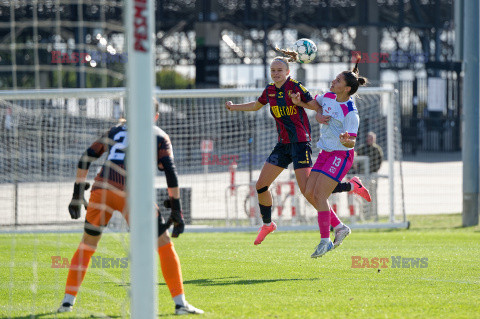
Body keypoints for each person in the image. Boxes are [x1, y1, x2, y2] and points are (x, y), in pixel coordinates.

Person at [57, 101, 203, 315]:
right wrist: (177, 209)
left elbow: (86, 157)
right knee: (164, 245)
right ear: (155, 116)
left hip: (102, 190)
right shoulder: (158, 135)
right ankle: (180, 304)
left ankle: (67, 303)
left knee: (87, 245)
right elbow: (170, 172)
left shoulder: (115, 130)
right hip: (132, 193)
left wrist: (77, 194)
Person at [225, 53, 367, 246]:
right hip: (283, 144)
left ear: (287, 72)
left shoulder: (296, 87)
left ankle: (345, 203)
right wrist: (234, 107)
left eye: (279, 70)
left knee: (310, 193)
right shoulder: (269, 91)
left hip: (301, 143)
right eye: (273, 70)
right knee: (261, 186)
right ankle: (267, 224)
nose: (275, 73)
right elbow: (256, 106)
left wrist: (317, 113)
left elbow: (316, 104)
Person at [292, 57, 368, 258]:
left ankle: (325, 240)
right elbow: (314, 104)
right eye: (335, 79)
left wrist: (346, 141)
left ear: (347, 89)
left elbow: (351, 142)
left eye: (338, 81)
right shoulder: (328, 96)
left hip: (341, 155)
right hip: (325, 152)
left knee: (320, 195)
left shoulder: (351, 113)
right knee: (309, 192)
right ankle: (340, 227)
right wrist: (302, 103)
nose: (333, 82)